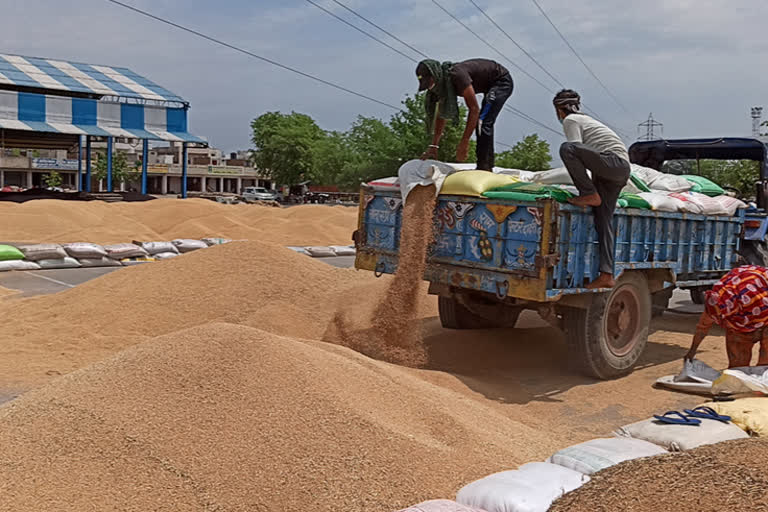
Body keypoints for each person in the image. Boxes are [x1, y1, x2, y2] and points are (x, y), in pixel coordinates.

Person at [554, 89, 631, 289]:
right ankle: (607, 274)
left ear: (559, 110)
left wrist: (585, 188)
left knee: (566, 148)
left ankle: (588, 194)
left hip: (611, 163)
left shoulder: (571, 120)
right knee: (603, 219)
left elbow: (575, 148)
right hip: (616, 170)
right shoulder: (587, 121)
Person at [416, 58, 513, 170]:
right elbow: (442, 114)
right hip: (487, 85)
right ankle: (486, 165)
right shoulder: (441, 87)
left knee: (482, 122)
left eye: (430, 83)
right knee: (482, 122)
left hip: (500, 81)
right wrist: (434, 145)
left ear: (435, 75)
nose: (430, 87)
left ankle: (484, 167)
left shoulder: (457, 75)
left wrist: (464, 142)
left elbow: (474, 109)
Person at [685, 265, 768, 368]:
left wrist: (759, 333)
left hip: (760, 309)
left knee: (764, 367)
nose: (724, 324)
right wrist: (692, 351)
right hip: (745, 307)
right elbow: (702, 327)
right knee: (738, 367)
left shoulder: (756, 302)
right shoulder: (716, 301)